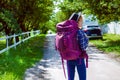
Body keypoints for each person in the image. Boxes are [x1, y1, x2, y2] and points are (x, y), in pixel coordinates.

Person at [67, 12, 89, 80]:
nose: (82, 23)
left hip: (68, 58)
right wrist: (87, 40)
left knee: (70, 78)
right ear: (78, 21)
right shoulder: (79, 32)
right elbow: (83, 47)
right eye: (81, 21)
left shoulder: (67, 32)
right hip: (79, 59)